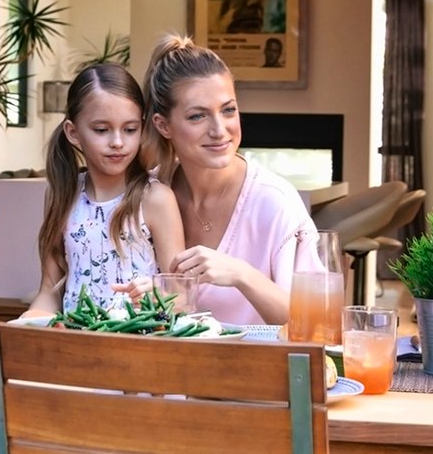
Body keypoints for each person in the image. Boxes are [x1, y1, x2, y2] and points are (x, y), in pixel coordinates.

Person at [141, 34, 317, 325]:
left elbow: (313, 322)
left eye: (228, 110)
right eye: (197, 116)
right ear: (163, 125)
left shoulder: (275, 202)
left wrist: (241, 274)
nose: (219, 130)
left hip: (256, 356)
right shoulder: (145, 196)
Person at [26, 64, 185, 316]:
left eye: (130, 129)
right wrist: (25, 324)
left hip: (139, 337)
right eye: (101, 130)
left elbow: (181, 296)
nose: (118, 142)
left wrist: (157, 296)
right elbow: (49, 291)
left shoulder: (156, 199)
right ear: (73, 132)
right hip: (74, 337)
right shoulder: (62, 195)